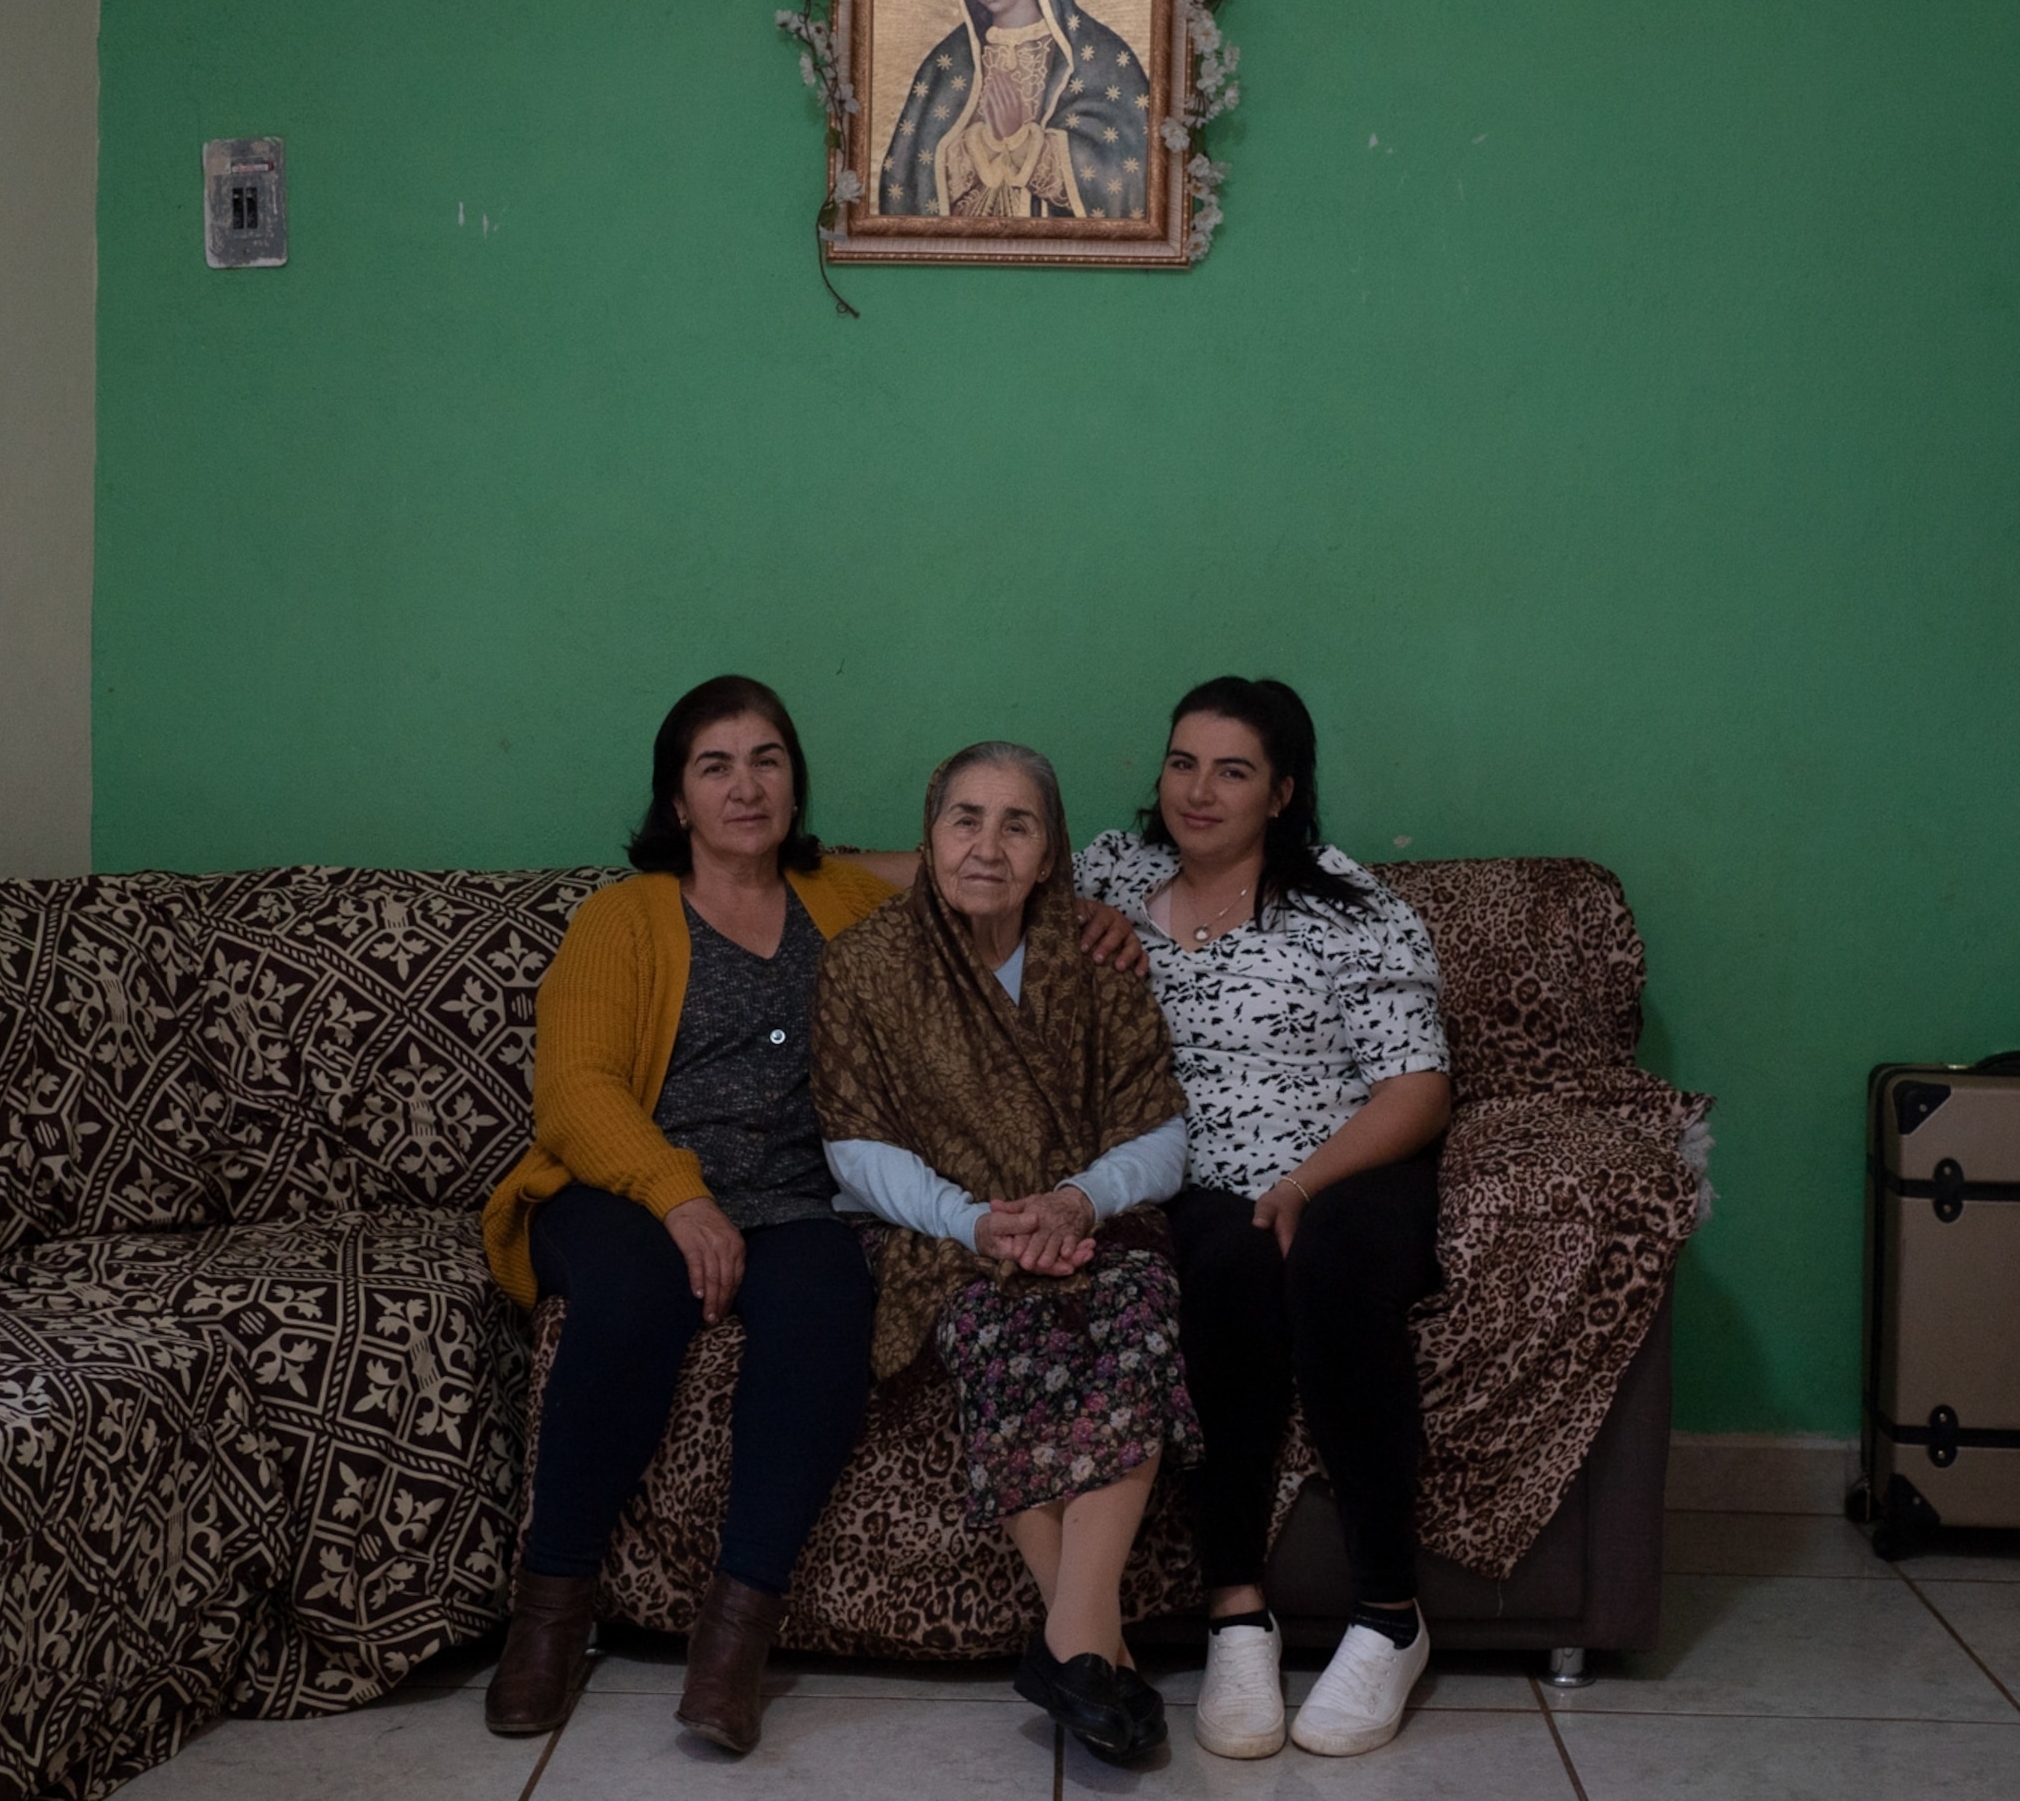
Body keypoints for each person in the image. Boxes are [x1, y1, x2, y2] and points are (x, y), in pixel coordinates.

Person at [475, 676, 888, 1754]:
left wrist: (1084, 911)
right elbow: (575, 1094)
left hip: (795, 1197)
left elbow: (967, 871)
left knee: (830, 1306)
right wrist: (681, 1198)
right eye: (716, 765)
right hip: (621, 1189)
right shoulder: (623, 917)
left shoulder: (841, 899)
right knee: (629, 1296)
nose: (745, 785)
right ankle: (550, 1612)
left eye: (767, 760)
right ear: (676, 802)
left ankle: (734, 1637)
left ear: (796, 784)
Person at [1072, 678, 1455, 1761]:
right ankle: (1238, 1610)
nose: (1198, 790)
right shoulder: (1112, 876)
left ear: (1282, 792)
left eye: (1232, 770)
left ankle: (1390, 1618)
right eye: (1182, 762)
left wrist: (1302, 1183)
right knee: (1222, 1275)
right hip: (1189, 1179)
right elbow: (958, 863)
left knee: (1331, 1273)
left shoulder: (1348, 907)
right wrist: (789, 854)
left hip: (1345, 1164)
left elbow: (1416, 1087)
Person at [813, 742, 1196, 1767]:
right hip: (952, 1239)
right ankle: (1097, 1649)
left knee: (1131, 1318)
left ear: (1048, 852)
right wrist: (978, 1222)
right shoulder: (864, 964)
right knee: (1001, 1336)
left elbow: (1160, 1131)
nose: (988, 845)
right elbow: (852, 1151)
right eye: (964, 820)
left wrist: (1079, 1200)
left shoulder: (1094, 956)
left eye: (1017, 824)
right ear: (929, 838)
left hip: (1092, 1228)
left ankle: (1069, 1640)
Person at [876, 0, 1152, 220]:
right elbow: (909, 176)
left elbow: (1128, 172)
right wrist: (982, 143)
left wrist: (1021, 141)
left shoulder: (1098, 56)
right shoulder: (948, 63)